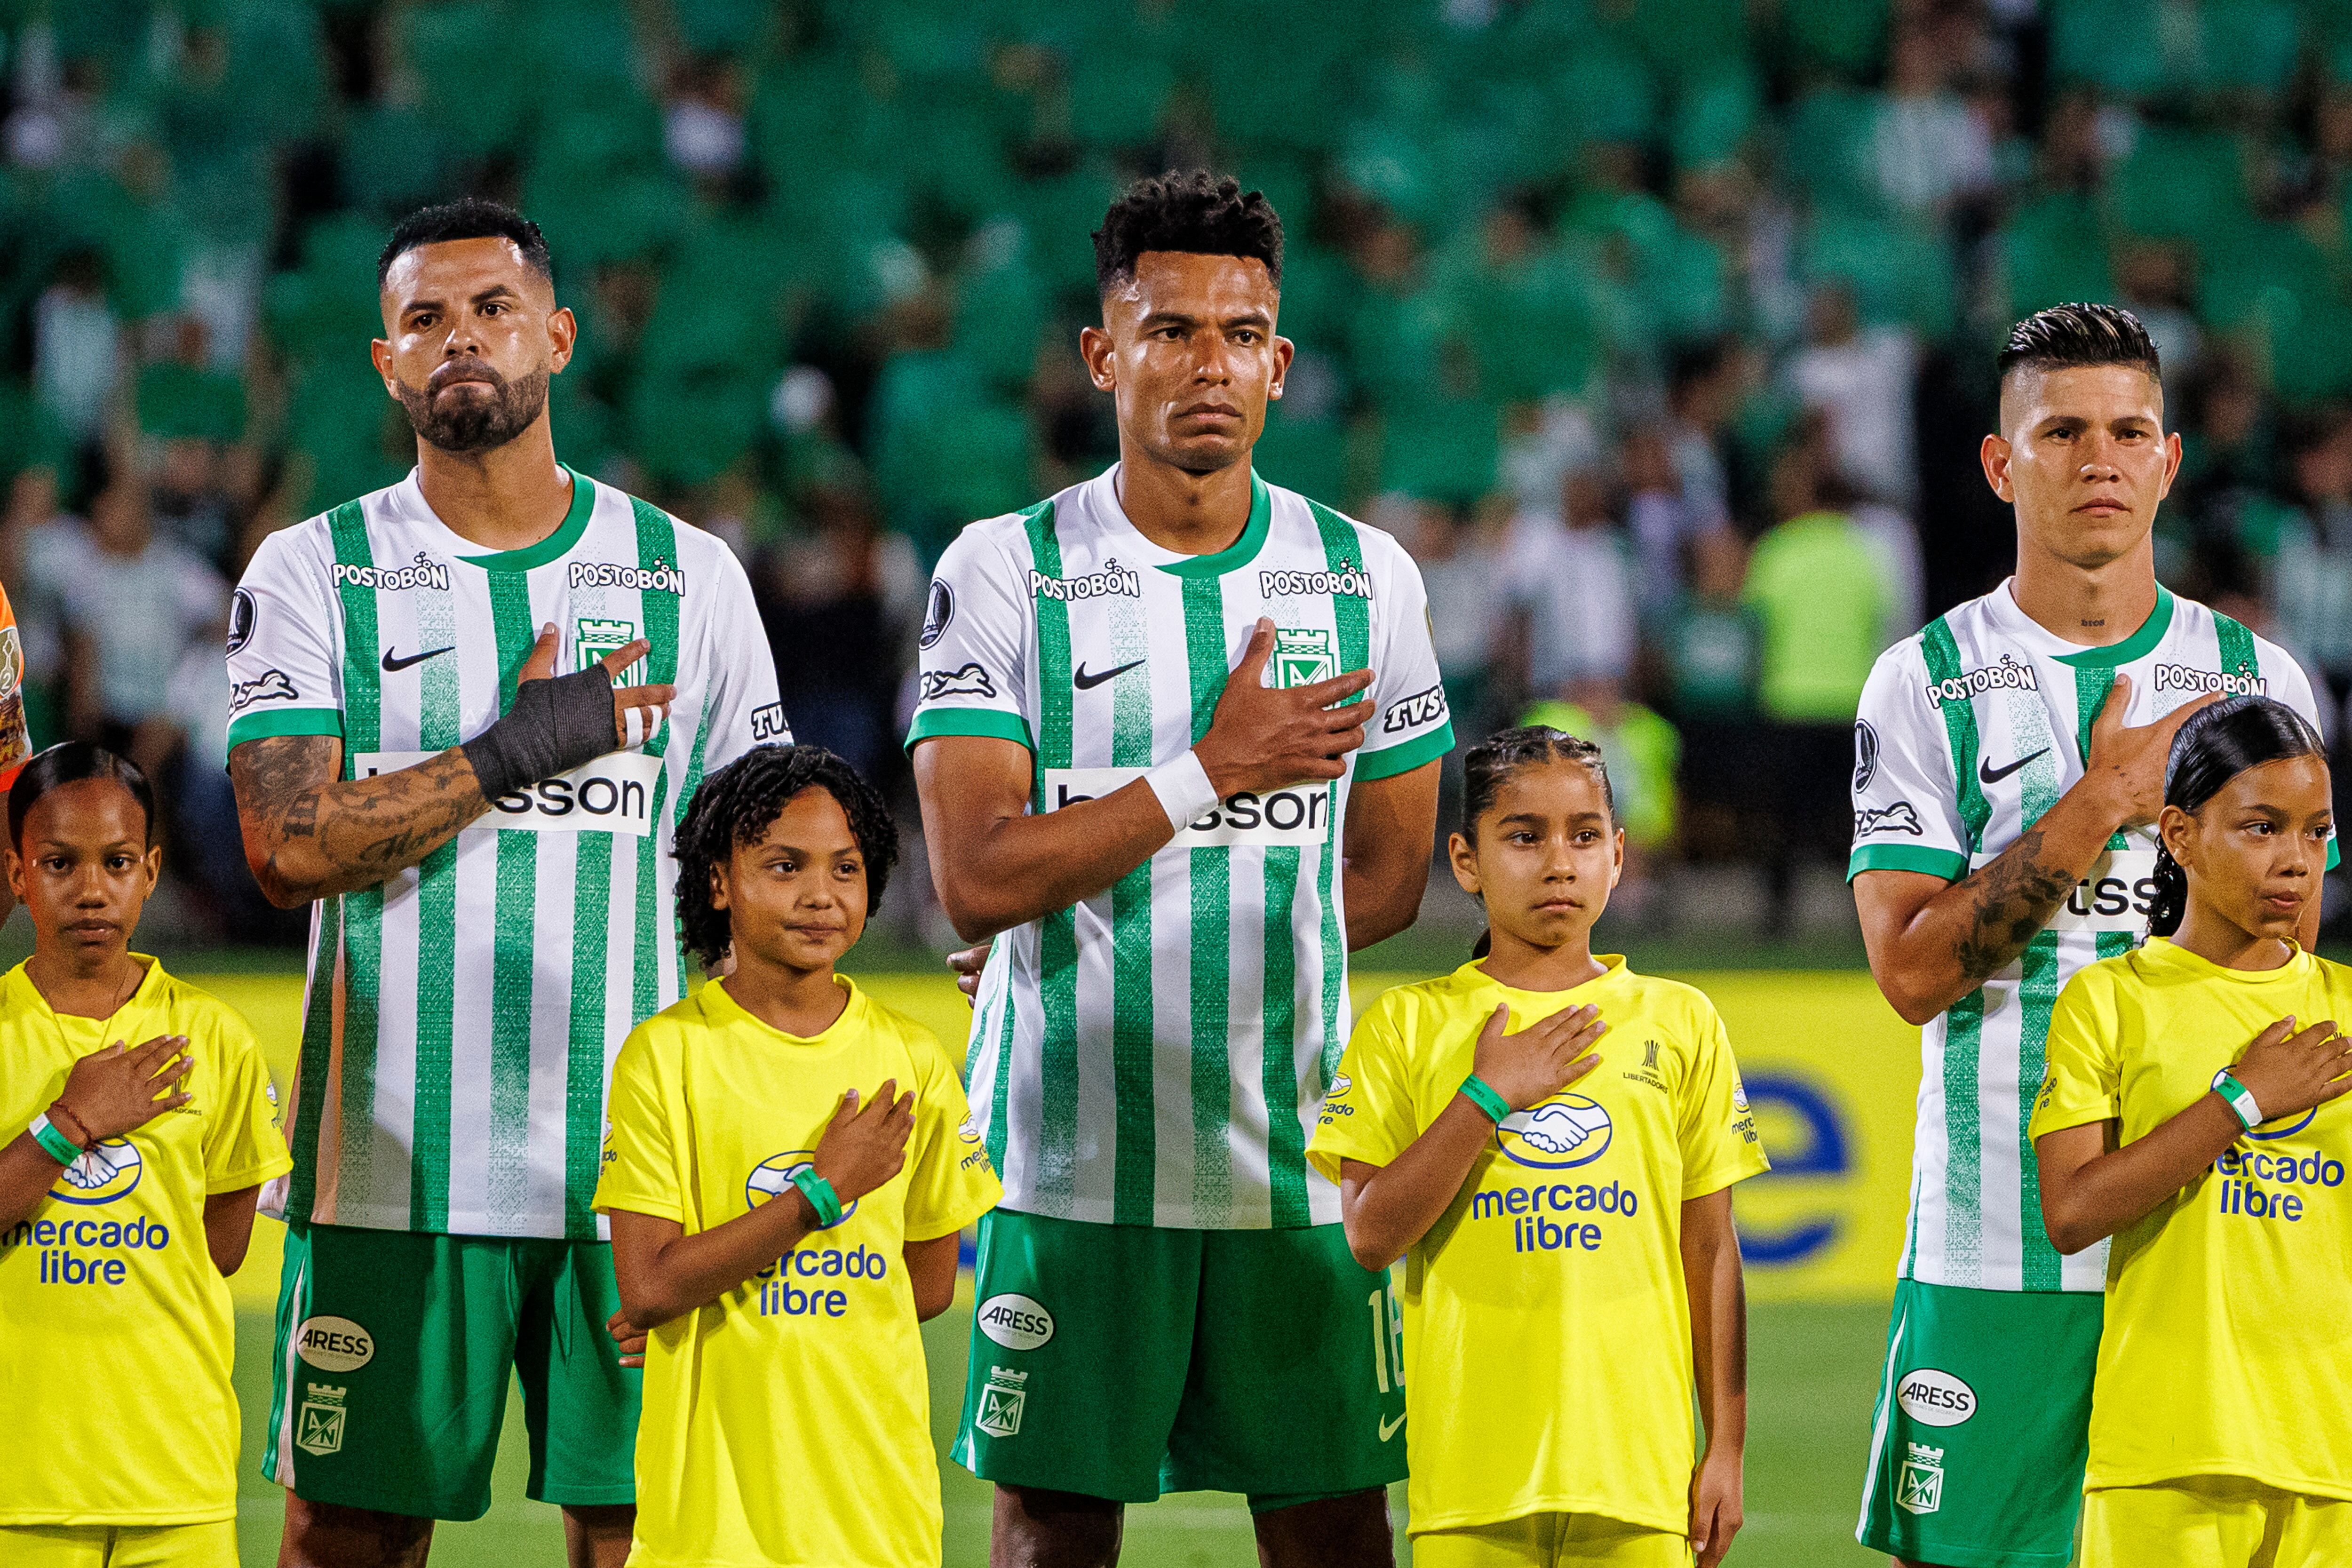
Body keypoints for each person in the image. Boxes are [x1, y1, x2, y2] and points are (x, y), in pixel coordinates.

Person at [223, 198, 785, 1568]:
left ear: (561, 336)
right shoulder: (314, 568)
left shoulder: (691, 576)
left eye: (492, 309)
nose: (460, 338)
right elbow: (286, 847)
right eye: (424, 319)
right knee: (349, 1536)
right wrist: (518, 746)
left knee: (646, 1533)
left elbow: (759, 870)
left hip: (637, 1172)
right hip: (390, 1166)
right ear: (385, 362)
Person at [909, 171, 1454, 1567]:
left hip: (1299, 1155)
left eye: (1241, 333)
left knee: (1335, 1529)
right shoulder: (1006, 569)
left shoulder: (1366, 575)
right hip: (1068, 1155)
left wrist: (1140, 912)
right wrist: (1213, 770)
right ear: (1105, 356)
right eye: (1171, 331)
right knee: (1052, 1531)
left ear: (1282, 362)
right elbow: (977, 877)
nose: (1210, 363)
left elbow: (1388, 876)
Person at [1848, 303, 2337, 1568]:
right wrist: (2102, 800)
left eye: (2128, 432)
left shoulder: (2260, 682)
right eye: (2061, 432)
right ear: (2001, 465)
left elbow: (2288, 971)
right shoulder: (1926, 678)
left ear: (2169, 462)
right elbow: (1910, 973)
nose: (2099, 460)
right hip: (1994, 1247)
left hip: (2212, 1252)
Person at [1308, 727, 1766, 1568]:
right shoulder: (1407, 1024)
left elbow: (1709, 1249)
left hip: (1640, 1477)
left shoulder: (1682, 1020)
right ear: (1466, 860)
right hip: (1471, 1482)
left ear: (1618, 855)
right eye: (1524, 836)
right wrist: (1486, 1096)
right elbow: (1370, 1234)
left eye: (1584, 836)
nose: (1559, 863)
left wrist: (1726, 1447)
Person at [599, 744, 1001, 1567]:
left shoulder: (913, 1059)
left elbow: (924, 1286)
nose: (822, 894)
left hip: (876, 1520)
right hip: (709, 1534)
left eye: (846, 868)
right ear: (720, 882)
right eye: (786, 866)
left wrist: (720, 1287)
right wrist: (821, 1194)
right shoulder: (665, 1056)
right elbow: (650, 1287)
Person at [2032, 695, 2352, 1567]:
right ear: (2179, 834)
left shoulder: (2344, 1007)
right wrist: (2239, 1103)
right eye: (2262, 827)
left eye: (2317, 832)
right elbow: (2072, 1212)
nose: (2296, 860)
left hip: (2331, 1460)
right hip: (2167, 1452)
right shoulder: (2111, 1000)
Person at [0, 742, 290, 1568]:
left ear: (152, 871)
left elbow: (220, 1249)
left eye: (118, 861)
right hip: (20, 1484)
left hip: (176, 1477)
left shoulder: (217, 1039)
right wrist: (70, 1123)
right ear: (17, 873)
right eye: (60, 863)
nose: (92, 889)